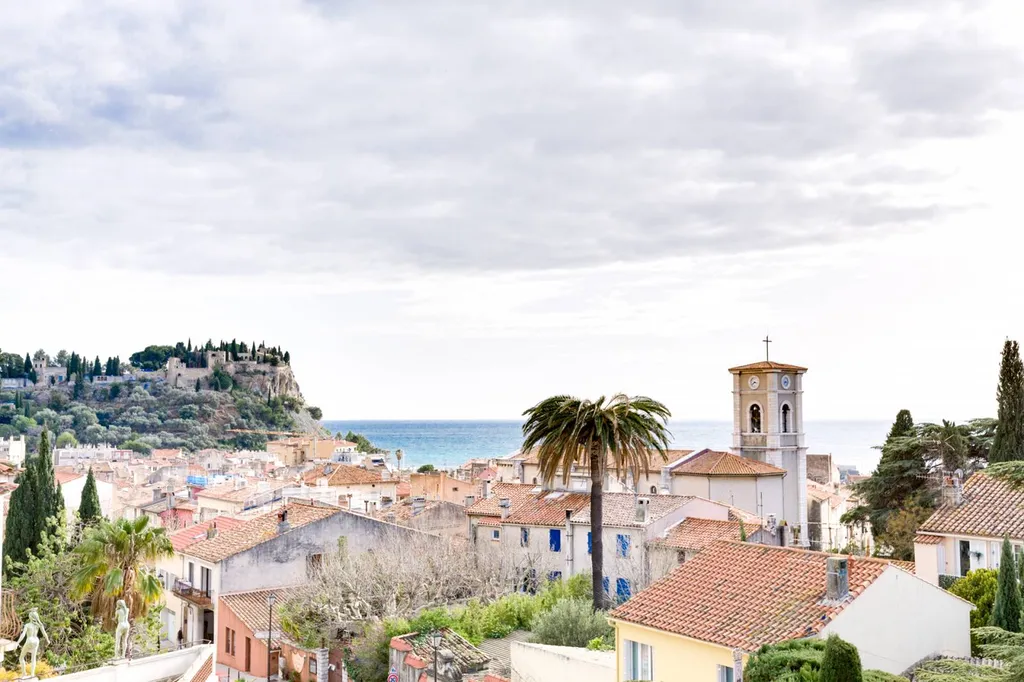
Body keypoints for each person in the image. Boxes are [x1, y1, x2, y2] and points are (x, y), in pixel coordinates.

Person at [16, 608, 49, 678]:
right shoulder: (39, 625)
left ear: (30, 617)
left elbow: (23, 634)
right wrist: (48, 640)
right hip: (36, 641)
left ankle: (24, 673)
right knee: (33, 659)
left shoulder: (27, 625)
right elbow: (44, 633)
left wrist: (17, 642)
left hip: (29, 640)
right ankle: (32, 674)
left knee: (21, 658)